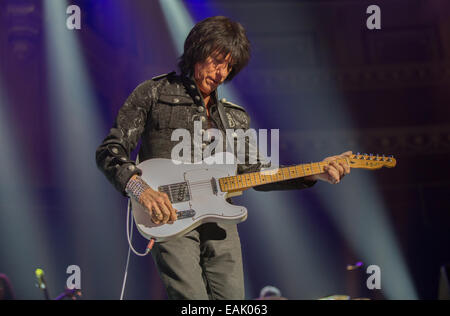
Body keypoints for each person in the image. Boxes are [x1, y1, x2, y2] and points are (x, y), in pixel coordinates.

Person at [95, 16, 350, 300]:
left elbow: (258, 174)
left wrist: (315, 172)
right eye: (217, 60)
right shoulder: (153, 93)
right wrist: (141, 190)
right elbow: (110, 150)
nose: (221, 72)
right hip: (170, 215)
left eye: (229, 66)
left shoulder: (234, 117)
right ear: (197, 51)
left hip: (220, 221)